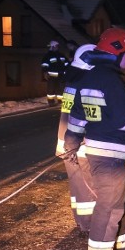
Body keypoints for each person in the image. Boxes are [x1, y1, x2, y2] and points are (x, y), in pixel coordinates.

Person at [63, 28, 125, 250]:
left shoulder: (89, 78)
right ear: (115, 53)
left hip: (97, 151)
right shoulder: (112, 81)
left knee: (123, 200)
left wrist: (72, 140)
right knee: (110, 205)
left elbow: (77, 117)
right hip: (108, 153)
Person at [56, 44, 97, 233]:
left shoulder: (71, 83)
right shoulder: (86, 83)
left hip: (65, 142)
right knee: (87, 187)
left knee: (77, 187)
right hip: (79, 144)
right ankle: (89, 225)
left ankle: (82, 222)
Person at [42, 40, 70, 106]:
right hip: (52, 75)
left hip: (61, 75)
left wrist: (67, 70)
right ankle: (51, 101)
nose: (57, 47)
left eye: (58, 46)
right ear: (53, 46)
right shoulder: (48, 56)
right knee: (51, 89)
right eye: (56, 46)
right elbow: (44, 64)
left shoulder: (61, 55)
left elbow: (66, 63)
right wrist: (45, 72)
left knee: (60, 88)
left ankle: (60, 100)